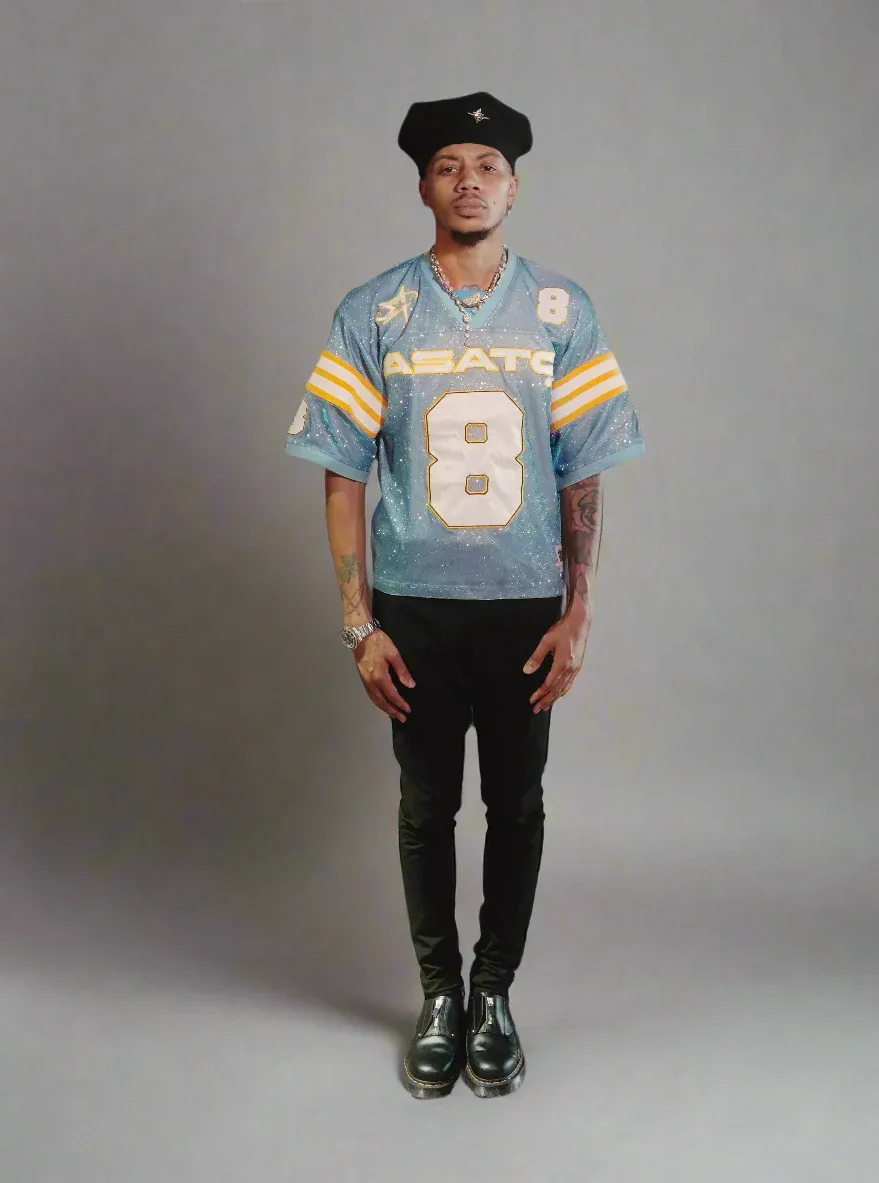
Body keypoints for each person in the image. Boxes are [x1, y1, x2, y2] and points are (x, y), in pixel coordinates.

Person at [284, 91, 645, 1100]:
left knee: (516, 805)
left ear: (514, 186)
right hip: (416, 606)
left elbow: (582, 467)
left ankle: (493, 994)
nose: (469, 180)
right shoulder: (375, 311)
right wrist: (358, 622)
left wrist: (578, 609)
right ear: (422, 188)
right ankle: (438, 995)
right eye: (448, 165)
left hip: (524, 605)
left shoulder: (561, 309)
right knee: (425, 805)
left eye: (487, 166)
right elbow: (340, 470)